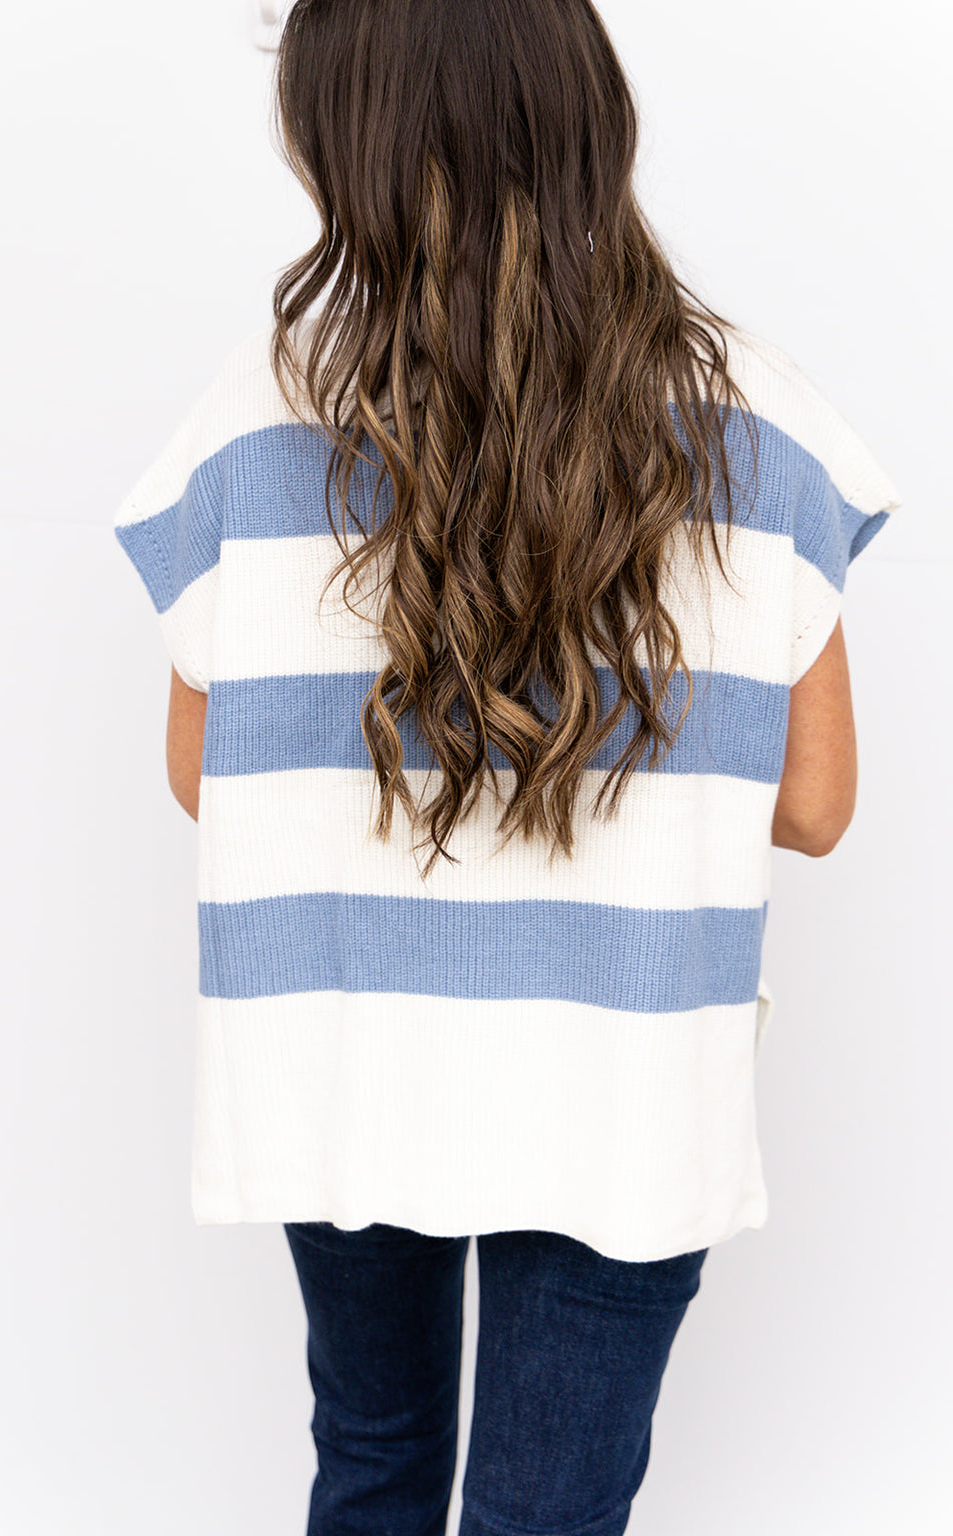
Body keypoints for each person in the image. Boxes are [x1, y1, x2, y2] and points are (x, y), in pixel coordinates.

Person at [113, 2, 902, 1531]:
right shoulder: (761, 426)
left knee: (375, 1462)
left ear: (343, 137)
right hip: (622, 1078)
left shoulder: (260, 413)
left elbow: (207, 778)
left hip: (346, 1060)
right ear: (583, 109)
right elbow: (814, 806)